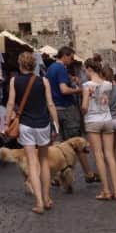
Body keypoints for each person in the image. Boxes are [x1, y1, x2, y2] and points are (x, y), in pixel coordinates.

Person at [6, 51, 60, 214]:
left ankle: (39, 203)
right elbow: (50, 104)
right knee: (43, 161)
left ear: (20, 65)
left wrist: (7, 122)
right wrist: (56, 123)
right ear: (34, 65)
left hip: (26, 126)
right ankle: (47, 198)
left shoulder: (14, 81)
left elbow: (10, 103)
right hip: (43, 124)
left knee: (32, 163)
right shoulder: (43, 81)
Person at [46, 46, 99, 183]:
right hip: (67, 108)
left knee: (58, 144)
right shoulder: (62, 68)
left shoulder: (50, 69)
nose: (71, 60)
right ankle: (88, 173)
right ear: (65, 56)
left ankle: (56, 176)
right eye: (71, 57)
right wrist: (79, 90)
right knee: (77, 142)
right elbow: (63, 90)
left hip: (54, 110)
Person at [82, 58, 116, 200]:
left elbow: (85, 106)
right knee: (110, 154)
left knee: (98, 155)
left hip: (93, 121)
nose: (85, 72)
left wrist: (83, 110)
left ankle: (106, 191)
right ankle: (115, 190)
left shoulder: (87, 85)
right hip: (107, 119)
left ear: (90, 69)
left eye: (85, 70)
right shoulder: (108, 84)